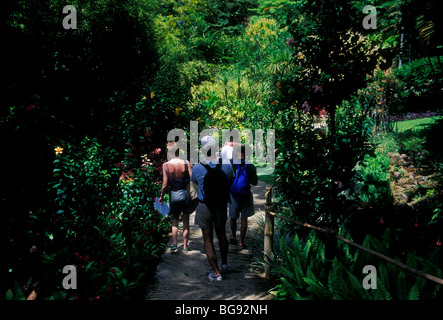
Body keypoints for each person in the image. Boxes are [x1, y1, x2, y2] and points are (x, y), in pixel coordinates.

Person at [191, 135, 234, 282]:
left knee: (207, 240)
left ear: (202, 150)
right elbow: (230, 179)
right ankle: (224, 263)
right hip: (221, 205)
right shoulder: (226, 163)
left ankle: (216, 273)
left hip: (205, 206)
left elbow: (194, 182)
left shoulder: (197, 166)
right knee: (222, 234)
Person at [159, 141, 195, 253]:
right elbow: (193, 179)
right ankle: (185, 246)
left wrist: (161, 196)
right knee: (185, 221)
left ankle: (174, 244)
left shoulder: (165, 165)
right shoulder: (186, 163)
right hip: (184, 194)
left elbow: (164, 184)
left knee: (175, 219)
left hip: (173, 194)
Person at [229, 144, 258, 250]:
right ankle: (241, 241)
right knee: (244, 218)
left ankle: (232, 236)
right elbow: (254, 182)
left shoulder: (231, 164)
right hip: (246, 195)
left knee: (233, 217)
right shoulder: (250, 166)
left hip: (233, 195)